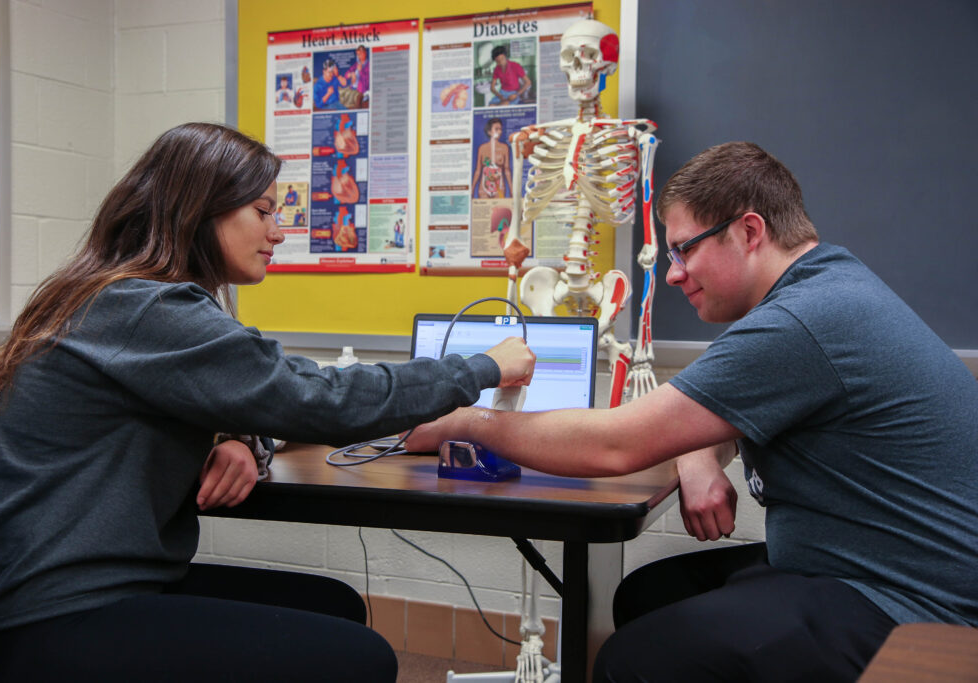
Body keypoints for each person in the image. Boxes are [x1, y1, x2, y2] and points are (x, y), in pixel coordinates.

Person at [0, 122, 535, 683]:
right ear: (200, 209)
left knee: (333, 604)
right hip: (58, 615)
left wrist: (238, 438)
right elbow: (318, 400)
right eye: (263, 211)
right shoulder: (147, 309)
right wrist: (483, 367)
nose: (278, 231)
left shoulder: (118, 295)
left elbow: (249, 397)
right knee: (364, 658)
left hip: (89, 587)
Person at [406, 141, 978, 681]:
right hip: (868, 570)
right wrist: (699, 454)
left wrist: (463, 421)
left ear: (749, 231)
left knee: (630, 661)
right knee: (644, 596)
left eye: (684, 249)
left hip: (911, 604)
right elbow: (727, 406)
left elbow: (617, 443)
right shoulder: (827, 288)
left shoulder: (801, 320)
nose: (673, 272)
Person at [470, 117, 511, 199]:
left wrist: (511, 189)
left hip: (499, 185)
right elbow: (478, 170)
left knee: (499, 210)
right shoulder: (482, 148)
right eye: (496, 129)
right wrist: (472, 189)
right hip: (484, 186)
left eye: (500, 129)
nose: (499, 132)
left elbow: (507, 170)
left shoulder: (504, 148)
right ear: (489, 132)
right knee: (484, 209)